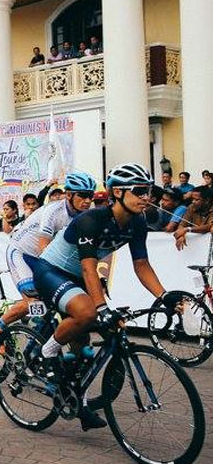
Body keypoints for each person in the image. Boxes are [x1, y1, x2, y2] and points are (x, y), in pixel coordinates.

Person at [28, 163, 180, 430]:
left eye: (149, 191)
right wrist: (101, 307)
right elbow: (88, 267)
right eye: (140, 191)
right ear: (117, 192)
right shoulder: (91, 220)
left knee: (90, 347)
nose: (147, 197)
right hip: (51, 270)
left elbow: (141, 265)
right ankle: (47, 350)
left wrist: (164, 296)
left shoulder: (137, 222)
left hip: (77, 277)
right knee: (87, 313)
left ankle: (79, 402)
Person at [0, 172, 97, 342]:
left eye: (90, 196)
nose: (88, 200)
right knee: (33, 301)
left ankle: (41, 340)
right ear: (69, 195)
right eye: (83, 195)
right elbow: (43, 247)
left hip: (44, 259)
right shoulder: (54, 211)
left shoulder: (86, 214)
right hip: (22, 254)